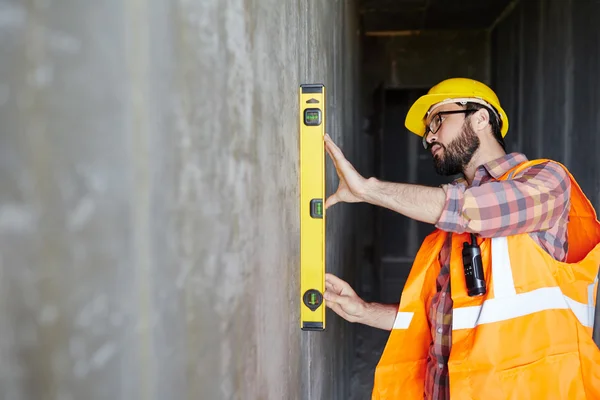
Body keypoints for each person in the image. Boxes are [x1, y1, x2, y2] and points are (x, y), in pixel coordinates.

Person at [323, 77, 600, 399]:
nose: (429, 137)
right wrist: (364, 310)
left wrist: (369, 190)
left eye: (438, 120)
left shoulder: (547, 180)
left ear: (480, 118)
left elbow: (477, 209)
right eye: (428, 129)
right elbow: (444, 318)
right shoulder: (450, 224)